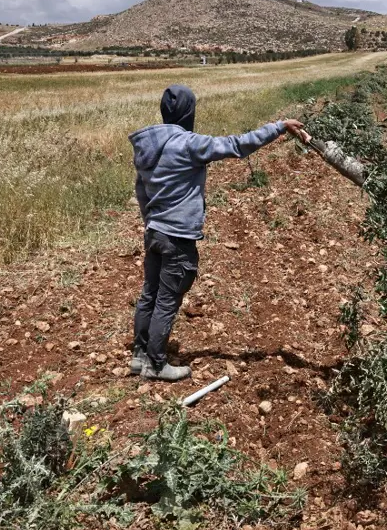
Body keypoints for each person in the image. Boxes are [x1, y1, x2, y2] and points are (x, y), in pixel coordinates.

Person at [129, 84, 307, 382]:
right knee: (167, 299)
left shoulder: (148, 146)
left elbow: (140, 189)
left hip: (155, 232)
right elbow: (236, 145)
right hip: (177, 237)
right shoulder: (188, 144)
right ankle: (156, 364)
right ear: (188, 112)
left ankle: (139, 355)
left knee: (150, 293)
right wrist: (278, 127)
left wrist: (151, 220)